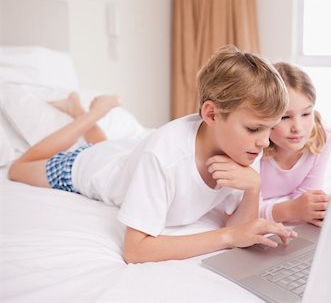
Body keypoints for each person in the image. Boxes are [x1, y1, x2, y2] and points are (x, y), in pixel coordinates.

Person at [8, 45, 297, 263]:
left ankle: (85, 112)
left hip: (125, 156)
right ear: (211, 113)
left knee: (114, 152)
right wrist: (227, 237)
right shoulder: (163, 156)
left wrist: (253, 188)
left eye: (269, 129)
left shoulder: (247, 145)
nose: (264, 142)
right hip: (87, 166)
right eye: (254, 128)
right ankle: (88, 112)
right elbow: (135, 250)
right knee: (20, 168)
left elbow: (240, 226)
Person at [259, 62, 331, 227]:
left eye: (306, 113)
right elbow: (241, 210)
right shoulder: (253, 147)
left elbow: (307, 196)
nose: (298, 128)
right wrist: (291, 210)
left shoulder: (322, 137)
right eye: (285, 117)